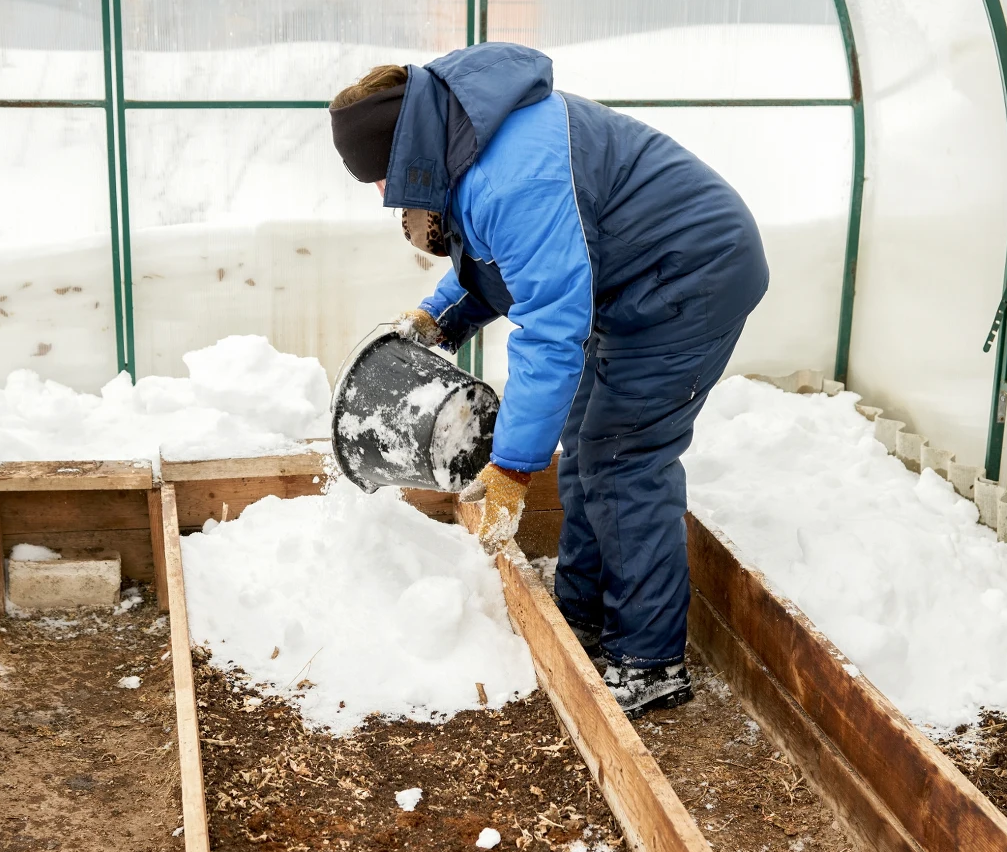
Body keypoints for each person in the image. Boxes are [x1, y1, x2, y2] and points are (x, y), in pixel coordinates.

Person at [328, 43, 768, 716]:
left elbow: (550, 329)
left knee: (625, 457)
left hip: (691, 274)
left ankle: (649, 661)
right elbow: (505, 257)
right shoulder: (465, 141)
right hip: (627, 283)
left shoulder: (511, 174)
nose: (385, 196)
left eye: (381, 179)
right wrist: (440, 314)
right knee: (588, 440)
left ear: (403, 152)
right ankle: (584, 611)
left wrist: (512, 467)